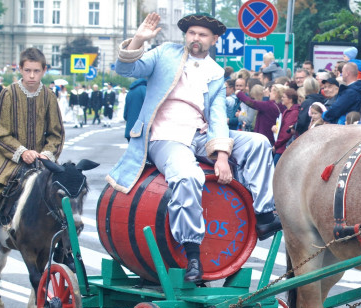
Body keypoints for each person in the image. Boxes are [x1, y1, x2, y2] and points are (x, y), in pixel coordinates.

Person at [109, 12, 280, 284]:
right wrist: (139, 39)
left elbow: (217, 117)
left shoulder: (214, 71)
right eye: (191, 33)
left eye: (202, 35)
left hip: (198, 134)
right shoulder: (165, 53)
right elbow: (126, 69)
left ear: (213, 40)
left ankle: (263, 214)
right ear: (185, 36)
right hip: (164, 137)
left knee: (258, 142)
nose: (195, 38)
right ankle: (192, 254)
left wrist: (222, 156)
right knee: (189, 176)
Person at [0, 48, 65, 274]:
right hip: (9, 159)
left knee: (63, 192)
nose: (32, 75)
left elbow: (56, 134)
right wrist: (21, 151)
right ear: (20, 69)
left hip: (42, 160)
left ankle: (64, 248)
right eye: (27, 70)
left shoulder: (49, 96)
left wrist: (46, 154)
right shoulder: (7, 94)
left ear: (44, 71)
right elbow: (0, 133)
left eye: (36, 71)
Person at [273, 88, 300, 164]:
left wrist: (276, 145)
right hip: (281, 146)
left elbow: (286, 132)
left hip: (283, 148)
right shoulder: (287, 111)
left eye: (284, 97)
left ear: (290, 99)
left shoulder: (293, 113)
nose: (282, 99)